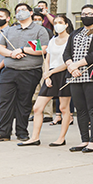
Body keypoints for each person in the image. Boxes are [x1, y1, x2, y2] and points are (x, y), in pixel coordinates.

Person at [0, 4, 50, 142]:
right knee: (4, 101)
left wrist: (23, 50)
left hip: (30, 71)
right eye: (18, 11)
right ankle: (3, 132)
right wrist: (12, 54)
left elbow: (43, 49)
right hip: (9, 70)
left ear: (31, 12)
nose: (20, 13)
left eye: (23, 10)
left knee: (24, 102)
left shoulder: (40, 30)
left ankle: (21, 131)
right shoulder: (10, 30)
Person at [20, 15, 74, 147]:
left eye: (60, 22)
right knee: (38, 107)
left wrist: (51, 72)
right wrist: (47, 75)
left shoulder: (71, 40)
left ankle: (61, 138)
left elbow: (69, 62)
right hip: (50, 75)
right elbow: (47, 59)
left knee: (63, 108)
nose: (57, 25)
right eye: (55, 23)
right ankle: (34, 138)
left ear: (67, 24)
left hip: (64, 74)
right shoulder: (52, 40)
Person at [63, 4, 93, 152]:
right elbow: (66, 53)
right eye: (83, 14)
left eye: (89, 13)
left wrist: (77, 65)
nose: (86, 16)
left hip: (92, 76)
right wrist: (71, 67)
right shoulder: (75, 33)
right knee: (80, 109)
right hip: (75, 76)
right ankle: (84, 140)